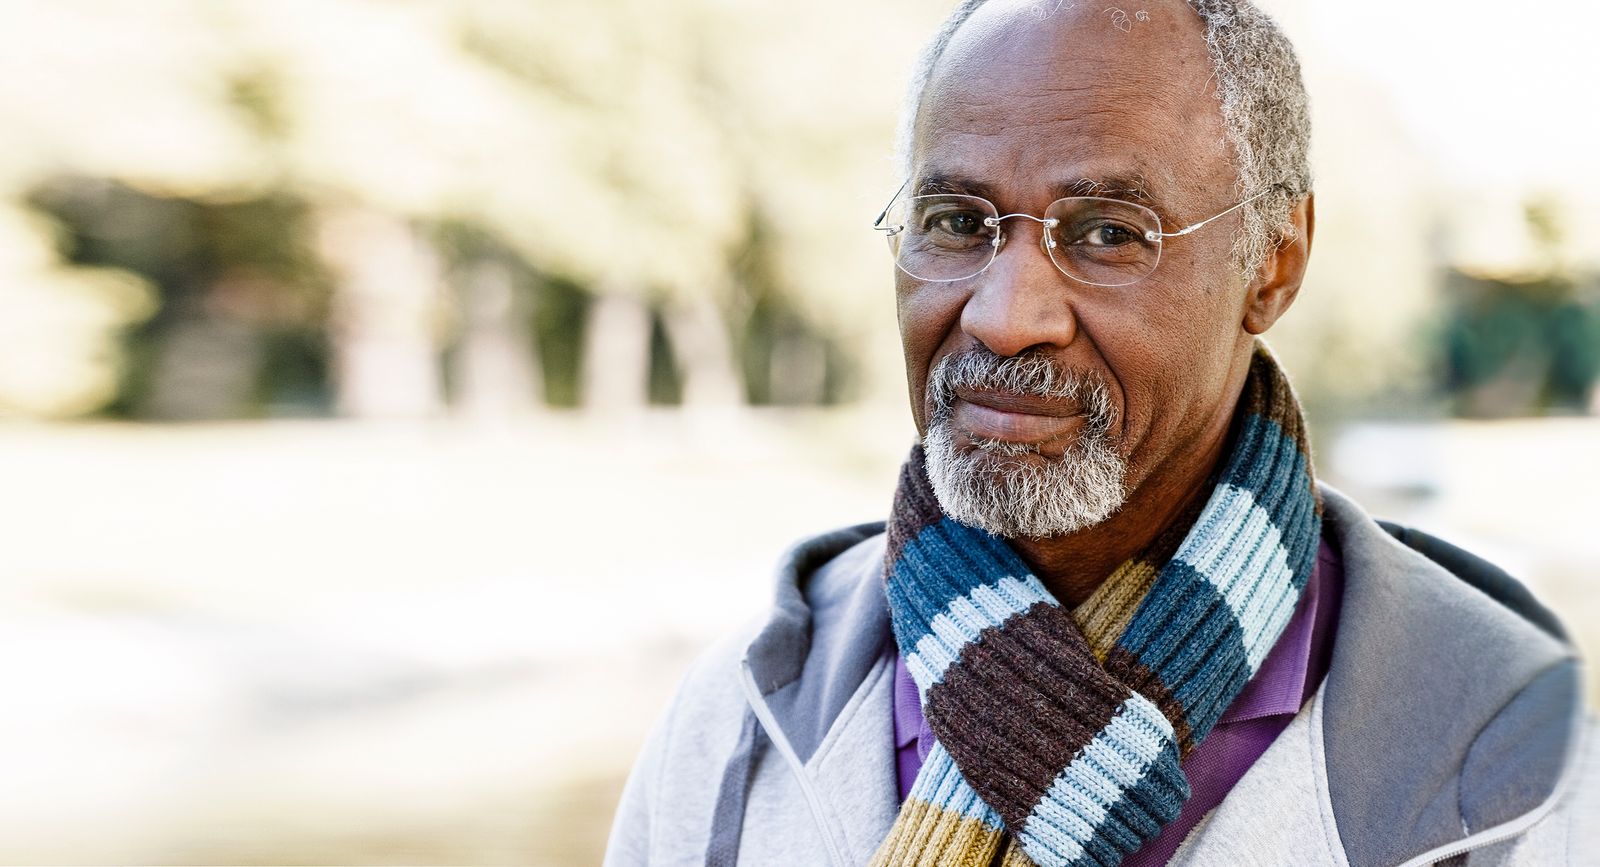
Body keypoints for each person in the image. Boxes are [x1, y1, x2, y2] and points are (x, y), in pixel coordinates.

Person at [604, 1, 1598, 864]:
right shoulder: (736, 717)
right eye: (955, 220)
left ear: (1274, 264)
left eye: (1108, 233)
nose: (1004, 314)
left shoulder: (1510, 763)